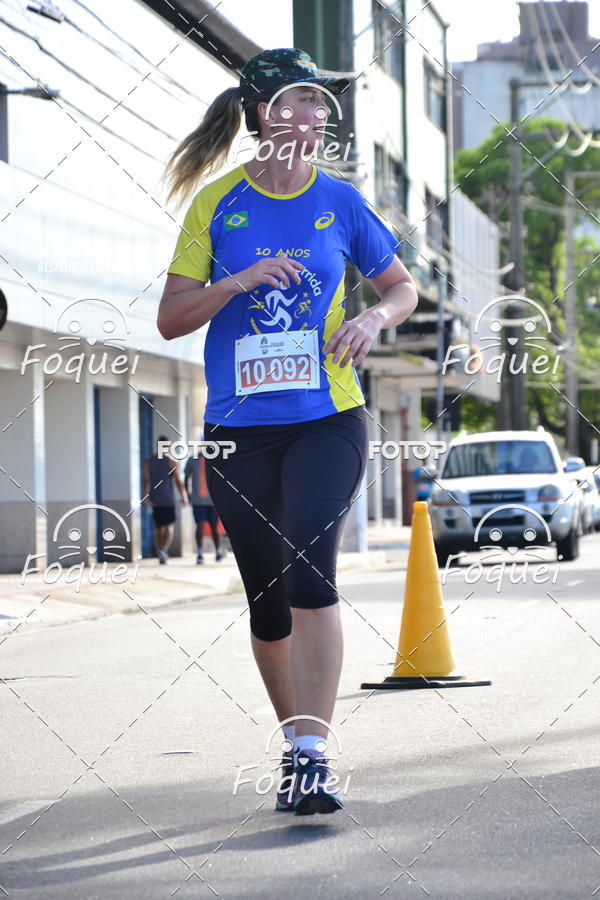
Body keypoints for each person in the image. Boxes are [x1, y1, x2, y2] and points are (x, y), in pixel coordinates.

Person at [158, 48, 418, 815]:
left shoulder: (340, 202)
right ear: (264, 113)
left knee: (311, 569)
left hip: (327, 417)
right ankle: (293, 739)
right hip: (238, 430)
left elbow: (402, 287)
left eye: (321, 105)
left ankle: (313, 753)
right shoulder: (215, 205)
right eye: (300, 102)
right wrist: (238, 279)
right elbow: (172, 319)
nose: (314, 118)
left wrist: (373, 314)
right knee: (268, 602)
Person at [143, 436, 188, 564]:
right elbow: (179, 481)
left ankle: (161, 550)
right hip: (168, 499)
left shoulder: (148, 462)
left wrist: (146, 497)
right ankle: (163, 550)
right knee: (168, 526)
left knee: (159, 527)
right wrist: (184, 497)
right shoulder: (171, 462)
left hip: (155, 498)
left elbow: (147, 480)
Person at [184, 431, 227, 564]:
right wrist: (188, 495)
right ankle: (200, 554)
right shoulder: (193, 459)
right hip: (198, 500)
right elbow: (186, 478)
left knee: (214, 526)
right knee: (201, 525)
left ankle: (218, 551)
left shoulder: (217, 459)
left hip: (213, 500)